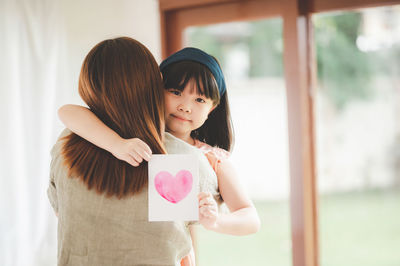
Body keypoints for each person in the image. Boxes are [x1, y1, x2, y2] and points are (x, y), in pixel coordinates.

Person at [48, 37, 221, 266]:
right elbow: (186, 232)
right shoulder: (183, 157)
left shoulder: (66, 143)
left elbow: (62, 214)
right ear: (153, 86)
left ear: (88, 85)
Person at [58, 47, 261, 240]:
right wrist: (117, 144)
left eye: (199, 99)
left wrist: (216, 221)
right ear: (156, 90)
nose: (185, 107)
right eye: (176, 92)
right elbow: (68, 112)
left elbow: (250, 218)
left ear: (212, 108)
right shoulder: (132, 137)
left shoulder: (211, 158)